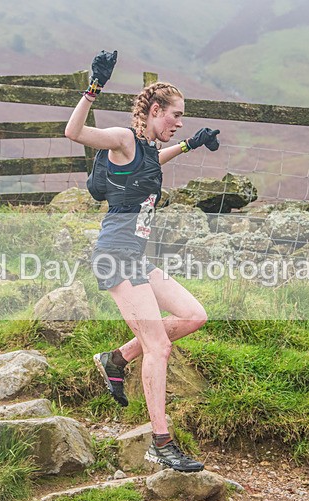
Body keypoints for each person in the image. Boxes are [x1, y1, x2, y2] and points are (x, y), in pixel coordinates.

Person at [65, 50, 221, 473]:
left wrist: (191, 144)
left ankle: (115, 359)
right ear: (155, 111)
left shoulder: (149, 150)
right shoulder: (123, 139)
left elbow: (155, 162)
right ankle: (161, 443)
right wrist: (93, 87)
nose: (179, 122)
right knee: (159, 346)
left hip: (137, 257)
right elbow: (73, 131)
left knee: (193, 315)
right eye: (176, 115)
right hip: (115, 257)